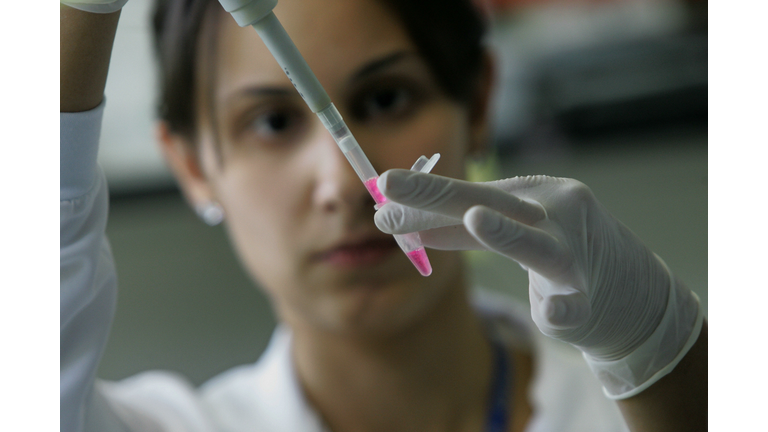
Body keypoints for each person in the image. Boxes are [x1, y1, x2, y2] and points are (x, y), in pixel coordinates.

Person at [60, 0, 707, 431]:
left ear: (478, 102)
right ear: (191, 167)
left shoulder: (636, 407)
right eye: (273, 121)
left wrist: (665, 360)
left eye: (388, 97)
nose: (344, 183)